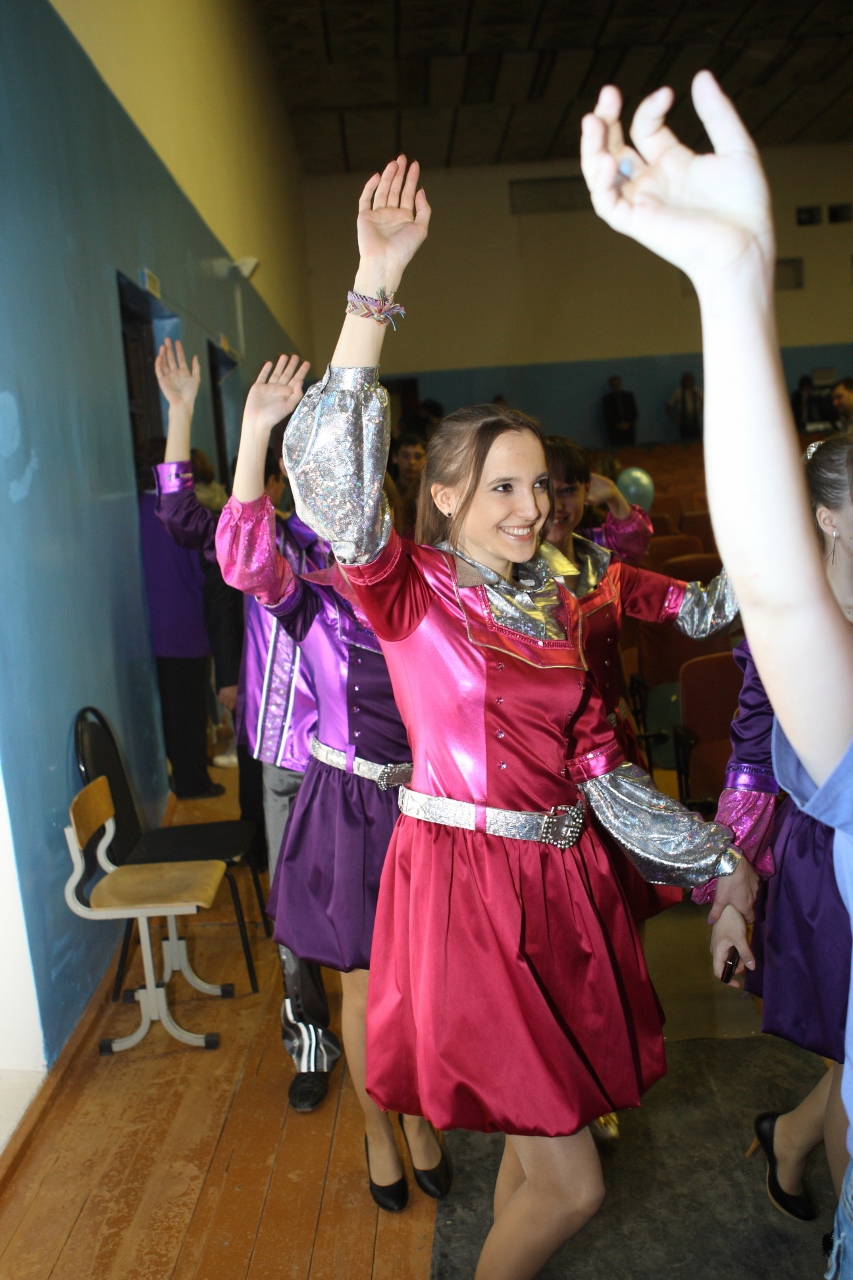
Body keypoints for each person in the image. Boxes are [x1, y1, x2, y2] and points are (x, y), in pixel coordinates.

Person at [280, 152, 755, 1280]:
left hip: (558, 888)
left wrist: (720, 858)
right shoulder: (408, 591)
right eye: (501, 485)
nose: (530, 506)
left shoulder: (557, 604)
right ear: (443, 495)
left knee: (538, 1142)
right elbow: (331, 482)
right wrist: (374, 284)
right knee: (573, 1182)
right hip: (463, 891)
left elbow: (600, 769)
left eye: (538, 485)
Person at [580, 67, 853, 1278]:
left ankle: (791, 1138)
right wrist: (730, 281)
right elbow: (770, 616)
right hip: (811, 853)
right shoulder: (808, 655)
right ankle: (801, 1148)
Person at [217, 373, 451, 1214]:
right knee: (362, 984)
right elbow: (244, 559)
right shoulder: (310, 600)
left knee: (418, 984)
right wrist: (254, 432)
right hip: (346, 810)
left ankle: (416, 1113)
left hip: (425, 810)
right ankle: (378, 1127)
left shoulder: (428, 587)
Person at [152, 338, 341, 1113]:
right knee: (291, 911)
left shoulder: (377, 556)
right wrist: (182, 411)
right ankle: (310, 1042)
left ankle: (396, 1041)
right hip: (285, 760)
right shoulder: (264, 541)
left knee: (381, 907)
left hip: (368, 765)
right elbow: (178, 514)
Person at [541, 433, 739, 926]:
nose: (558, 505)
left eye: (569, 490)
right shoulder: (498, 583)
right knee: (565, 915)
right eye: (545, 488)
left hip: (614, 755)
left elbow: (702, 611)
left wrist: (767, 547)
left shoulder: (608, 572)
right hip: (542, 768)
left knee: (623, 907)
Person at [136, 432, 222, 801]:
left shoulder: (137, 510)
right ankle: (194, 781)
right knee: (190, 709)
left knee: (174, 711)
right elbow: (207, 571)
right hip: (188, 624)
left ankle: (186, 775)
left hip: (155, 628)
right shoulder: (180, 516)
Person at [544, 436, 652, 565]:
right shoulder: (519, 563)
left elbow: (632, 546)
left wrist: (614, 496)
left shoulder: (592, 549)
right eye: (543, 490)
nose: (557, 506)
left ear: (586, 491)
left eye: (568, 490)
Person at [602, 374, 637, 446]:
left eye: (617, 384)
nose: (616, 387)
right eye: (613, 385)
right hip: (615, 431)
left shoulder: (629, 396)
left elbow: (634, 412)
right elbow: (606, 415)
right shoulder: (607, 399)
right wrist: (617, 425)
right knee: (617, 449)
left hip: (629, 429)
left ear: (620, 384)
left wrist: (628, 423)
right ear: (610, 386)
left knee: (631, 449)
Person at [665, 371, 703, 439]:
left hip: (694, 418)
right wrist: (675, 418)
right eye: (686, 381)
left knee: (697, 439)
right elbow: (668, 406)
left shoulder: (696, 391)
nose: (688, 383)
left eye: (690, 381)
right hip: (683, 419)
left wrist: (700, 408)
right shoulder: (678, 392)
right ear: (683, 382)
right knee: (685, 440)